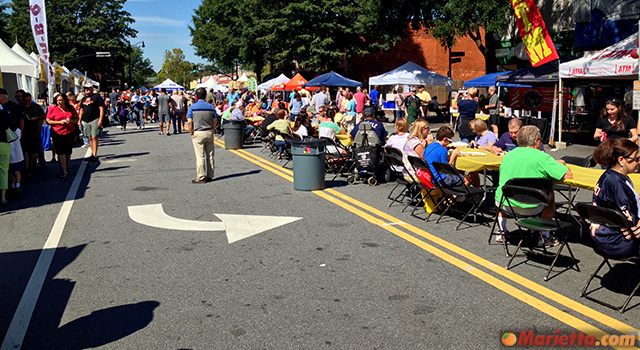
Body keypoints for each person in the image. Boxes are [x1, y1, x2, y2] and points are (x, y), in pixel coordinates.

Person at [494, 125, 573, 245]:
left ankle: (501, 230)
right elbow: (568, 175)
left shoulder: (508, 155)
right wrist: (560, 164)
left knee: (504, 187)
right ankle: (545, 236)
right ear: (536, 141)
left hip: (504, 203)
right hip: (531, 207)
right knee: (549, 194)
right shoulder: (542, 157)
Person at [590, 138, 640, 257]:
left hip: (603, 235)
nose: (639, 162)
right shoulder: (616, 184)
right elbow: (631, 219)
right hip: (614, 242)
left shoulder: (611, 175)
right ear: (621, 160)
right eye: (636, 159)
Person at [187, 87, 217, 183]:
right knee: (210, 155)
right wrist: (213, 129)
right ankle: (210, 174)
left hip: (198, 131)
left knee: (200, 156)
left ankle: (201, 176)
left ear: (196, 96)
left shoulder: (192, 107)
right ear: (205, 96)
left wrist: (191, 132)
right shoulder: (211, 107)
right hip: (209, 131)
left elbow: (189, 122)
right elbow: (215, 120)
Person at [46, 93, 79, 178]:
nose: (59, 102)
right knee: (61, 152)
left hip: (69, 132)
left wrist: (71, 121)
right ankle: (64, 171)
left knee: (68, 152)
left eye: (60, 100)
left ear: (65, 100)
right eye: (57, 100)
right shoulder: (53, 109)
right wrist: (59, 122)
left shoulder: (70, 108)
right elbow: (48, 120)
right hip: (57, 132)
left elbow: (76, 119)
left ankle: (65, 167)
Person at [77, 83, 105, 162]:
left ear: (92, 88)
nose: (86, 90)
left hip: (94, 119)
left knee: (94, 137)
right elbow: (81, 110)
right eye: (85, 88)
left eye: (88, 88)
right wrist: (79, 120)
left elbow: (101, 108)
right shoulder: (83, 99)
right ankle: (92, 153)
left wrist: (100, 119)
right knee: (89, 137)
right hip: (85, 120)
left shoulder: (96, 97)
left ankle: (95, 154)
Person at [0, 88, 18, 204]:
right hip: (3, 143)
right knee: (3, 170)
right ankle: (3, 197)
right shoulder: (3, 113)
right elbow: (12, 126)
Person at [19, 92, 45, 173]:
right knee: (25, 150)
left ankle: (34, 164)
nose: (27, 102)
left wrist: (37, 118)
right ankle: (27, 167)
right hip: (24, 131)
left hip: (34, 130)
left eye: (28, 101)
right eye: (25, 101)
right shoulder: (19, 107)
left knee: (34, 150)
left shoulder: (36, 106)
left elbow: (43, 116)